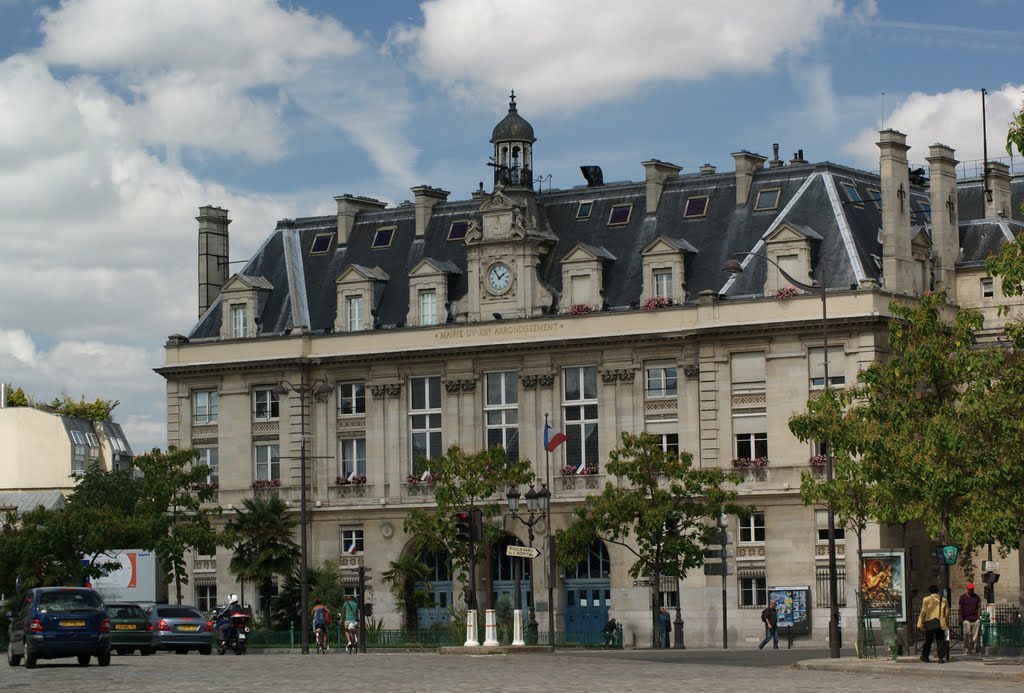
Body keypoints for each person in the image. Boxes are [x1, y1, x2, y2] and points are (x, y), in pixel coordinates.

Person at [917, 584, 949, 663]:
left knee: (928, 641)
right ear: (937, 591)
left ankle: (925, 656)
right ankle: (941, 658)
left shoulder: (926, 599)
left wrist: (919, 623)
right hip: (940, 623)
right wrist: (945, 621)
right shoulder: (943, 600)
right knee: (940, 641)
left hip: (929, 624)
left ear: (930, 591)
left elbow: (923, 612)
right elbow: (947, 613)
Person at [958, 582, 982, 656]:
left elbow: (978, 607)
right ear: (967, 589)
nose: (972, 590)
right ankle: (966, 649)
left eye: (972, 589)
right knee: (967, 634)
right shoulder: (963, 597)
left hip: (975, 619)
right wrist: (960, 618)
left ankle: (973, 649)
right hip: (966, 619)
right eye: (970, 589)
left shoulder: (976, 597)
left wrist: (978, 617)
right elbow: (960, 608)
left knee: (975, 635)